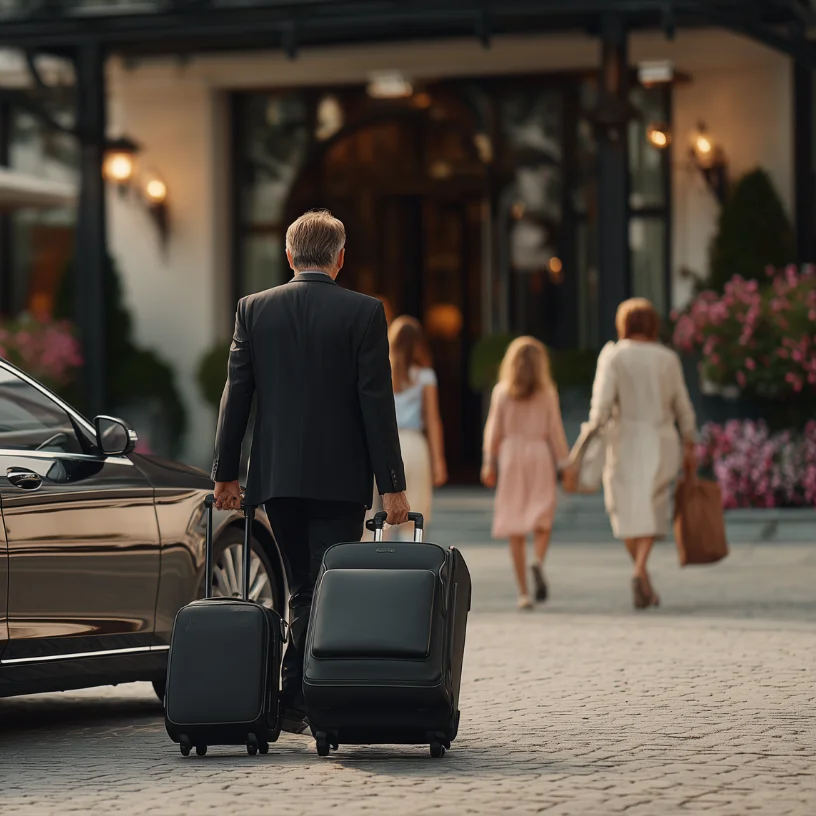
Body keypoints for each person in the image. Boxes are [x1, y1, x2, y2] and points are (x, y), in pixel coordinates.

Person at [212, 209, 409, 733]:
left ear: (288, 254)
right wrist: (393, 487)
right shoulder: (364, 313)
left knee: (302, 584)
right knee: (327, 585)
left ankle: (294, 697)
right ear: (340, 258)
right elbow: (376, 403)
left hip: (275, 477)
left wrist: (225, 474)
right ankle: (307, 696)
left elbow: (238, 398)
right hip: (341, 479)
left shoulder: (253, 309)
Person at [566, 297, 697, 609]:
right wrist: (690, 442)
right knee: (653, 508)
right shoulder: (667, 358)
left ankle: (639, 571)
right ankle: (642, 573)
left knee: (624, 511)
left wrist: (579, 450)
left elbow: (598, 411)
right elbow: (683, 407)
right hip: (661, 438)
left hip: (622, 439)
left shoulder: (613, 356)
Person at [481, 336, 569, 610]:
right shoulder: (548, 392)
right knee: (543, 515)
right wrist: (565, 464)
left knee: (514, 524)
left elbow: (493, 430)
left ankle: (523, 593)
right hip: (539, 454)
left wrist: (489, 462)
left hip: (511, 456)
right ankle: (538, 560)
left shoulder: (502, 392)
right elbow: (555, 431)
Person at [387, 316, 448, 539]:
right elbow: (432, 420)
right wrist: (439, 461)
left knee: (377, 516)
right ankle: (408, 567)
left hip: (386, 444)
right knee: (413, 516)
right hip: (414, 445)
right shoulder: (425, 376)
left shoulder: (381, 373)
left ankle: (377, 567)